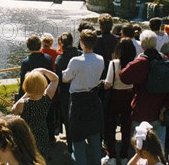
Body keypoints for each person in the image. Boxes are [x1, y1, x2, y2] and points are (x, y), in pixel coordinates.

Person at [120, 30, 169, 149]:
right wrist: (167, 105)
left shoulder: (142, 61)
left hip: (141, 109)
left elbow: (123, 76)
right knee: (158, 148)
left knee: (139, 147)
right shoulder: (165, 59)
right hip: (160, 109)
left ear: (142, 44)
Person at [62, 29, 105, 165]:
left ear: (81, 43)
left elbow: (65, 78)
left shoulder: (75, 61)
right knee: (94, 138)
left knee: (78, 140)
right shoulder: (100, 59)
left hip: (78, 101)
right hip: (93, 99)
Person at [103, 38, 137, 164]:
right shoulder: (134, 63)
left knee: (110, 126)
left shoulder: (114, 63)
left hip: (115, 97)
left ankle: (111, 155)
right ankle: (124, 156)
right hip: (129, 96)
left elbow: (108, 84)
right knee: (126, 127)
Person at [12, 68, 59, 160]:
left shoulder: (22, 104)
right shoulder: (47, 97)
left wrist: (27, 93)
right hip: (43, 132)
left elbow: (13, 110)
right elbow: (55, 79)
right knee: (42, 157)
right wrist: (44, 71)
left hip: (27, 135)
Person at [54, 31, 81, 152]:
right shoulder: (80, 54)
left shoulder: (60, 58)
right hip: (80, 90)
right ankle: (80, 144)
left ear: (61, 43)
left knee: (67, 118)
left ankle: (71, 147)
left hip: (65, 93)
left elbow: (59, 78)